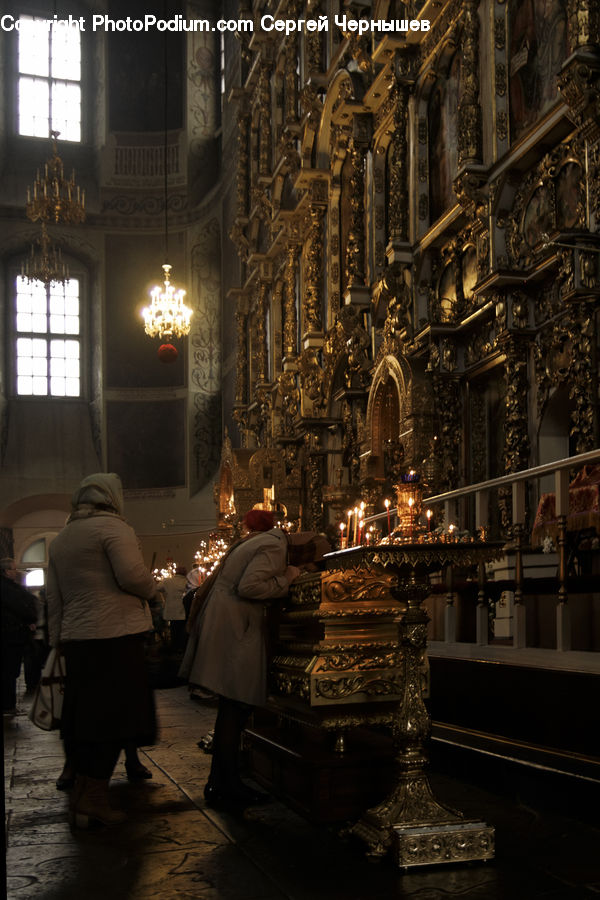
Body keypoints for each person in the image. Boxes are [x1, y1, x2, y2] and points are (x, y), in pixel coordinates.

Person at [47, 473, 159, 828]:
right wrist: (154, 589)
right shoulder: (113, 528)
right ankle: (95, 798)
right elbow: (131, 576)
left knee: (84, 721)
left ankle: (82, 796)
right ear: (113, 497)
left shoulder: (63, 536)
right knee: (113, 720)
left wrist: (58, 639)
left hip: (78, 641)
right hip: (115, 637)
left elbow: (54, 596)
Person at [179, 509, 301, 811]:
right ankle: (228, 785)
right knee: (235, 707)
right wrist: (289, 576)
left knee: (230, 709)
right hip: (236, 628)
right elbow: (251, 586)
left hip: (225, 623)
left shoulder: (252, 542)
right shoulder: (273, 544)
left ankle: (220, 782)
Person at [1, 558, 37, 715]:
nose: (16, 572)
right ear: (6, 571)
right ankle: (7, 705)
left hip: (11, 634)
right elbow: (21, 606)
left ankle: (8, 704)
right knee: (9, 671)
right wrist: (30, 618)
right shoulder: (6, 588)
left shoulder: (9, 586)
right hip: (10, 635)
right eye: (13, 569)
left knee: (10, 671)